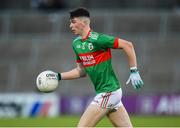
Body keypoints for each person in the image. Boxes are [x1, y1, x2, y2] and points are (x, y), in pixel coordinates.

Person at [56, 7, 144, 127]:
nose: (70, 25)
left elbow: (127, 45)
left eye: (73, 22)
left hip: (108, 92)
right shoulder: (76, 44)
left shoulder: (98, 39)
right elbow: (81, 71)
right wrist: (58, 76)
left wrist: (134, 71)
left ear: (83, 22)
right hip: (110, 92)